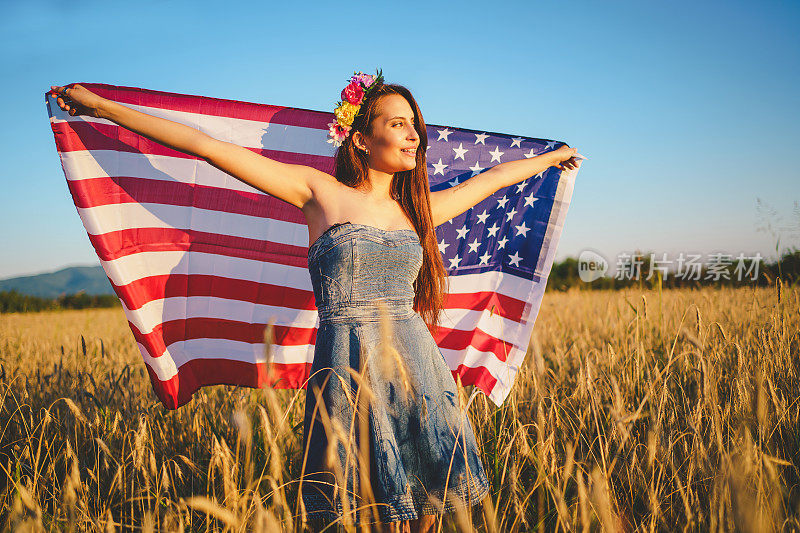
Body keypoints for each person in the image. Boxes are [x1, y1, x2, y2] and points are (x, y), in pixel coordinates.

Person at [50, 73, 579, 532]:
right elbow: (204, 146)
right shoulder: (317, 192)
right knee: (367, 506)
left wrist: (553, 158)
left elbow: (494, 178)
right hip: (347, 365)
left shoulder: (418, 208)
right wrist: (100, 106)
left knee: (428, 503)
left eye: (414, 124)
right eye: (398, 123)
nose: (413, 133)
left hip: (415, 364)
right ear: (360, 138)